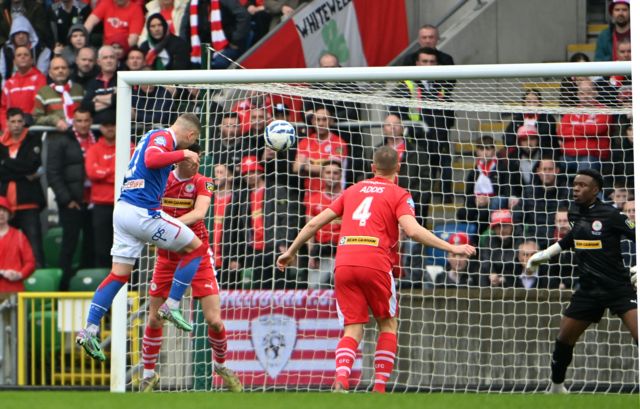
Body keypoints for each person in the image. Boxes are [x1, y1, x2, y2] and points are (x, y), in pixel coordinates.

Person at [277, 145, 476, 393]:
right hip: (375, 261)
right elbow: (413, 230)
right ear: (399, 168)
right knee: (387, 323)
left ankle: (341, 378)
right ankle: (379, 387)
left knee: (352, 327)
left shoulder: (353, 190)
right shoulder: (399, 194)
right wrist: (450, 247)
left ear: (372, 168)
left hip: (345, 261)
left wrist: (291, 251)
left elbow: (315, 222)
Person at [75, 113, 205, 362]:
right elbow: (152, 158)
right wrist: (184, 154)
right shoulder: (162, 136)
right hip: (143, 213)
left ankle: (90, 330)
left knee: (119, 274)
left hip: (123, 211)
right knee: (196, 248)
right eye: (194, 141)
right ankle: (173, 305)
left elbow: (150, 165)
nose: (192, 146)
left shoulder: (151, 136)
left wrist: (179, 160)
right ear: (190, 135)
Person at [139, 143, 242, 393]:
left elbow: (198, 213)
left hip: (197, 254)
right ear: (178, 158)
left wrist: (164, 224)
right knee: (154, 318)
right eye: (191, 156)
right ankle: (148, 374)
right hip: (167, 255)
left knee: (214, 321)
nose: (196, 160)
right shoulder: (160, 180)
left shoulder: (204, 182)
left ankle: (221, 366)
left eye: (198, 156)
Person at [526, 168, 637, 393]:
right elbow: (573, 236)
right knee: (564, 338)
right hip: (588, 289)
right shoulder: (574, 211)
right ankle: (556, 387)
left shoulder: (612, 215)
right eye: (575, 184)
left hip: (618, 287)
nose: (576, 188)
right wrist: (546, 254)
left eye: (583, 185)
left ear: (595, 190)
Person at [46, 106, 96, 290]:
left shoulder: (96, 138)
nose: (83, 125)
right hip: (72, 202)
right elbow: (53, 173)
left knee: (92, 243)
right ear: (73, 122)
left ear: (91, 122)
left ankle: (87, 282)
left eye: (86, 120)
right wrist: (67, 199)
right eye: (79, 121)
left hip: (94, 201)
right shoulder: (61, 141)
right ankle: (63, 286)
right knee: (70, 242)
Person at [0, 108, 45, 267]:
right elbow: (23, 170)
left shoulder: (33, 138)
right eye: (13, 122)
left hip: (29, 202)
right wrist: (23, 173)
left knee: (34, 244)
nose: (17, 125)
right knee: (5, 246)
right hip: (5, 205)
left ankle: (39, 282)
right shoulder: (1, 144)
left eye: (20, 121)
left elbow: (32, 166)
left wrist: (6, 164)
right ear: (7, 123)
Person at [84, 111, 119, 268]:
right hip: (101, 205)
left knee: (126, 248)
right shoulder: (94, 149)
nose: (110, 128)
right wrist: (112, 172)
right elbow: (91, 173)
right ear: (101, 128)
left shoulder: (129, 146)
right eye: (106, 125)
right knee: (101, 248)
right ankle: (104, 286)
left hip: (122, 203)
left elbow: (125, 174)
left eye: (112, 124)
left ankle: (132, 288)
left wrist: (103, 172)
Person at [179, 0, 250, 69]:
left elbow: (243, 16)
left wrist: (235, 40)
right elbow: (184, 28)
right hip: (200, 49)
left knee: (218, 64)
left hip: (226, 46)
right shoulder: (192, 3)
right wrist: (185, 49)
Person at [0, 45, 46, 129]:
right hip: (11, 130)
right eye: (19, 55)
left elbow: (39, 104)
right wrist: (5, 126)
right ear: (14, 62)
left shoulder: (40, 78)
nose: (23, 57)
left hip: (32, 128)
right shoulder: (9, 83)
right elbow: (3, 108)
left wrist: (26, 123)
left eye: (26, 54)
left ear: (32, 60)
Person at [34, 56, 84, 132]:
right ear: (50, 73)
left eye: (63, 68)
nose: (60, 70)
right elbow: (36, 118)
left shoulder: (79, 89)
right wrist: (54, 120)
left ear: (69, 71)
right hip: (54, 136)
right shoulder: (43, 92)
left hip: (79, 135)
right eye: (56, 68)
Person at [0, 15, 51, 86]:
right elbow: (3, 75)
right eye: (17, 33)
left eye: (24, 33)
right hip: (11, 86)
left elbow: (42, 74)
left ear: (29, 35)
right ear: (12, 36)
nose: (21, 36)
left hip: (34, 85)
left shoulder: (42, 50)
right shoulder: (5, 50)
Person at [0, 195, 35, 292]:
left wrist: (20, 275)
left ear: (9, 214)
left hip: (14, 290)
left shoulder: (19, 236)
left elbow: (30, 262)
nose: (1, 213)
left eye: (5, 210)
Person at [81, 45, 117, 125]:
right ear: (98, 62)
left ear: (116, 60)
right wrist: (113, 101)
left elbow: (122, 101)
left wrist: (98, 98)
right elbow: (86, 105)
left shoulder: (123, 80)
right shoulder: (92, 82)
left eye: (112, 57)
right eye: (105, 58)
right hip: (97, 130)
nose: (109, 60)